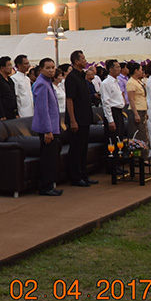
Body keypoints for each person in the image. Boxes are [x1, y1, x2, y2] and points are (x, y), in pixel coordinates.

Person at [64, 50, 97, 187]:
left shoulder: (82, 76)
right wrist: (72, 120)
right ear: (76, 61)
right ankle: (75, 177)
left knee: (83, 148)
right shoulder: (71, 77)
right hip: (77, 118)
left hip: (85, 117)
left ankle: (83, 174)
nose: (85, 61)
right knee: (76, 149)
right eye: (83, 59)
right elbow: (70, 99)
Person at [31, 59, 62, 196]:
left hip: (53, 127)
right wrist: (47, 131)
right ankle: (45, 187)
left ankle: (49, 184)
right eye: (48, 68)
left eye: (53, 68)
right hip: (47, 129)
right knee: (47, 159)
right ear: (41, 69)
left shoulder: (47, 83)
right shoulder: (42, 84)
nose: (51, 70)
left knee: (51, 157)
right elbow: (43, 110)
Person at [100, 59, 125, 145]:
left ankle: (119, 156)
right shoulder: (106, 83)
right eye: (117, 67)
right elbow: (106, 102)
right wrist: (110, 120)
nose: (119, 69)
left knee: (119, 137)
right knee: (112, 138)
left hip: (119, 112)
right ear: (111, 69)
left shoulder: (116, 82)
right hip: (112, 112)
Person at [126, 62, 148, 149]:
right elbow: (131, 99)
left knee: (143, 133)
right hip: (136, 110)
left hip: (142, 108)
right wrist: (136, 114)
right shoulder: (131, 83)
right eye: (140, 70)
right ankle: (139, 156)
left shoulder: (138, 81)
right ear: (136, 71)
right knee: (138, 134)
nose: (142, 72)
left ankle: (144, 155)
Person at [0, 56, 17, 120]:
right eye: (9, 65)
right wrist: (2, 115)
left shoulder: (10, 80)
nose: (11, 68)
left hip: (12, 112)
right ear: (2, 68)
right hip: (4, 114)